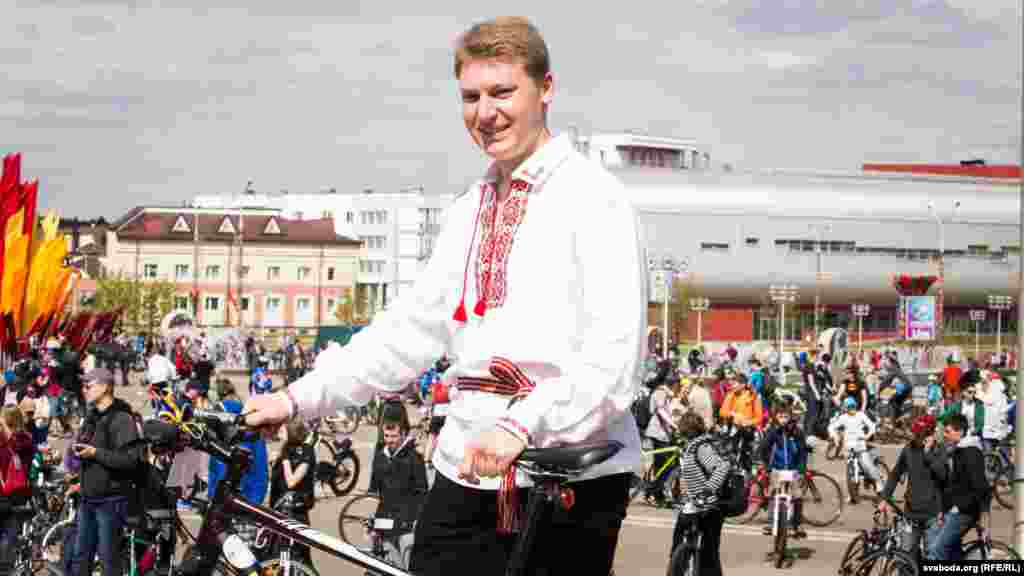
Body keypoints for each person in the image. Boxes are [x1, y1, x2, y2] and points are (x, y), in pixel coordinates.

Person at [242, 16, 643, 576]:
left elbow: (613, 361)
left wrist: (521, 425)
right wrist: (298, 399)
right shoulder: (469, 209)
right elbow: (407, 332)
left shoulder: (593, 198)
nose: (485, 112)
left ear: (546, 89)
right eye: (471, 97)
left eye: (503, 92)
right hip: (465, 465)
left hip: (560, 476)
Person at [70, 368, 141, 576]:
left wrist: (95, 453)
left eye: (88, 386)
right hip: (87, 498)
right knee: (80, 557)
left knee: (109, 560)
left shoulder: (122, 419)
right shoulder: (92, 416)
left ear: (105, 387)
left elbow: (130, 460)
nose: (84, 390)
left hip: (110, 502)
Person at [368, 403, 428, 568]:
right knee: (384, 565)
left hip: (406, 524)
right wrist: (375, 525)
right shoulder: (380, 455)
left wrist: (414, 521)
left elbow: (422, 492)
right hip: (386, 521)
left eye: (393, 436)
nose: (389, 440)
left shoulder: (414, 457)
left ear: (402, 434)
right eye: (386, 436)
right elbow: (378, 493)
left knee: (407, 567)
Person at [878, 414, 946, 560]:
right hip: (910, 512)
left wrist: (928, 454)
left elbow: (943, 475)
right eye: (916, 433)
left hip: (932, 514)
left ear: (931, 434)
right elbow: (895, 474)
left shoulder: (939, 451)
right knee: (905, 556)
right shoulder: (908, 449)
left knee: (932, 555)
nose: (917, 437)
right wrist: (884, 498)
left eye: (921, 434)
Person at [671, 412, 728, 576]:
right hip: (694, 504)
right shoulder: (690, 447)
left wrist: (709, 488)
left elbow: (721, 467)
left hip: (710, 505)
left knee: (709, 553)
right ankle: (676, 566)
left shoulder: (701, 447)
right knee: (680, 538)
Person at [930, 413, 990, 561]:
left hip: (965, 511)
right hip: (955, 508)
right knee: (937, 541)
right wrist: (943, 509)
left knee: (937, 550)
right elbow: (951, 483)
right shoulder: (958, 450)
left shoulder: (971, 452)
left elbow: (980, 487)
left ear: (960, 432)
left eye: (948, 431)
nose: (944, 435)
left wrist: (960, 507)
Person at [207, 380, 268, 506]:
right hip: (249, 498)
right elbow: (261, 467)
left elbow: (215, 466)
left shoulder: (217, 415)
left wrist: (212, 494)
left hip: (223, 496)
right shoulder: (248, 414)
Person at [269, 418, 316, 569]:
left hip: (294, 512)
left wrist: (284, 460)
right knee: (276, 558)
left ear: (292, 432)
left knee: (298, 557)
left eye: (282, 428)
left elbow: (292, 482)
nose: (279, 430)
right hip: (279, 509)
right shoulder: (285, 448)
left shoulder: (307, 451)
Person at [757, 405, 808, 538]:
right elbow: (764, 448)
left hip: (793, 469)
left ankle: (797, 524)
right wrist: (767, 466)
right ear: (776, 417)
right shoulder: (774, 432)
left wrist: (801, 469)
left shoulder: (797, 432)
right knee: (773, 494)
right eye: (780, 417)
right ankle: (771, 522)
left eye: (786, 417)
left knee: (797, 495)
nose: (783, 420)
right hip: (777, 468)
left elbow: (803, 452)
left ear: (790, 417)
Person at [0, 405, 33, 576]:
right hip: (19, 495)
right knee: (11, 537)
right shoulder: (27, 439)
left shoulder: (13, 443)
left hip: (7, 496)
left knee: (8, 538)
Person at [828, 397, 881, 503]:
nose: (852, 409)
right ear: (845, 408)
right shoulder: (843, 418)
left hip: (860, 445)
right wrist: (835, 436)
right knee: (851, 472)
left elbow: (872, 426)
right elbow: (831, 427)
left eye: (853, 406)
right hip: (849, 447)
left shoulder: (861, 415)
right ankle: (853, 494)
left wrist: (867, 436)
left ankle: (878, 482)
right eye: (849, 407)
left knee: (867, 466)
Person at [643, 373, 678, 507]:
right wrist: (674, 425)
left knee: (663, 465)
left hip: (663, 434)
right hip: (658, 433)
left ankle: (656, 494)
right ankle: (653, 492)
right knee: (666, 465)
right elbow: (661, 411)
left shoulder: (666, 394)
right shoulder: (660, 392)